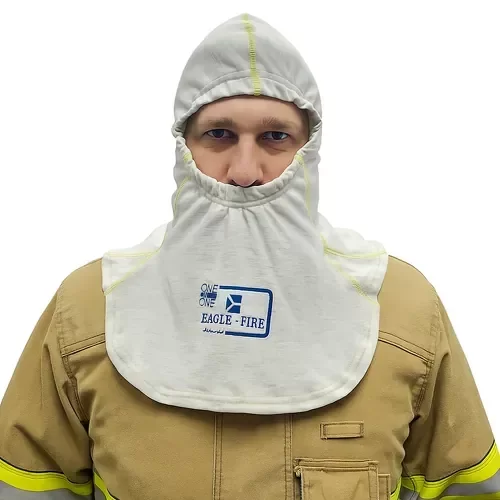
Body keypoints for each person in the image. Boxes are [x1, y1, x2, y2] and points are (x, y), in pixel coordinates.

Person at [0, 12, 498, 500]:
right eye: (218, 134)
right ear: (183, 146)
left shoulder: (403, 310)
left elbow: (463, 487)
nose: (244, 170)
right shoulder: (89, 309)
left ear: (309, 149)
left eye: (275, 137)